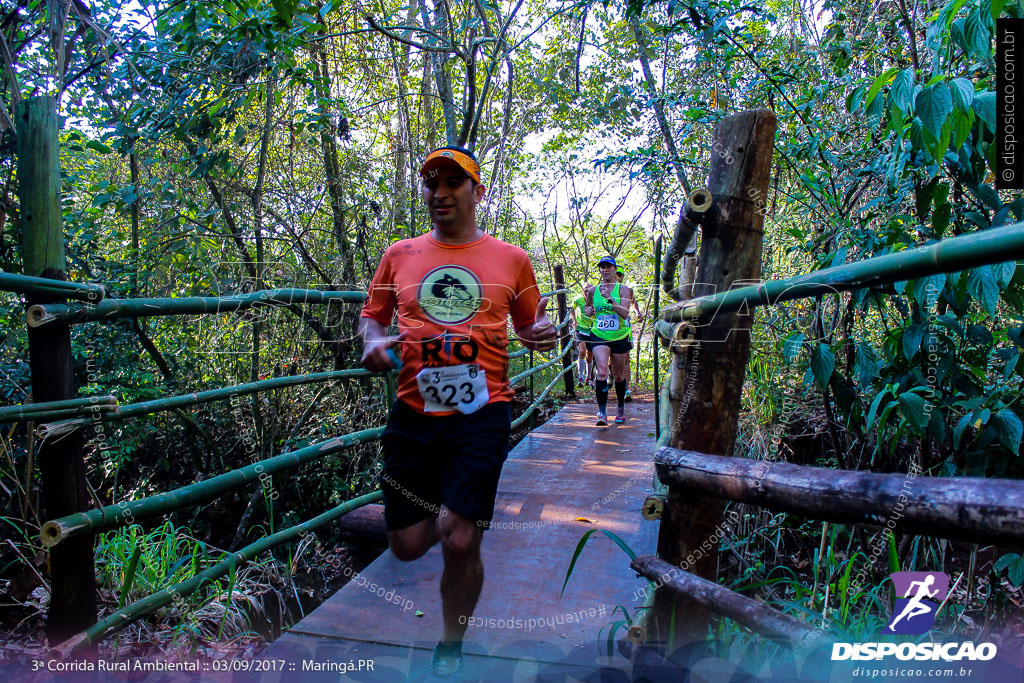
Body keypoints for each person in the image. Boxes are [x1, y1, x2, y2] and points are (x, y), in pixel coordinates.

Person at [359, 146, 557, 681]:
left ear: (477, 190)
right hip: (413, 413)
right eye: (431, 183)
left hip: (482, 410)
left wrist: (540, 336)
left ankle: (451, 646)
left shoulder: (511, 259)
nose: (439, 193)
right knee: (407, 545)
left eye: (453, 182)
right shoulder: (400, 254)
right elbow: (372, 318)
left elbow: (529, 326)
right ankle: (434, 521)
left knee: (462, 537)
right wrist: (372, 344)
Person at [585, 256, 633, 425]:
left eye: (608, 267)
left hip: (619, 336)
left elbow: (625, 314)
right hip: (599, 335)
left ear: (614, 269)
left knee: (618, 375)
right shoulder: (593, 291)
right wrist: (589, 310)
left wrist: (610, 299)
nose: (604, 270)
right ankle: (602, 413)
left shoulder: (623, 289)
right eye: (602, 267)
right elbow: (587, 307)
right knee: (602, 371)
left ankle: (620, 408)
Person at [616, 265, 643, 402]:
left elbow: (633, 301)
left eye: (620, 275)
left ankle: (626, 389)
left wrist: (638, 312)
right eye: (616, 274)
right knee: (611, 361)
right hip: (607, 331)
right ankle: (611, 378)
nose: (618, 277)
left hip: (624, 328)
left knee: (626, 358)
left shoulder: (627, 290)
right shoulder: (602, 290)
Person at [571, 289, 596, 387]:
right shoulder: (578, 300)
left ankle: (588, 377)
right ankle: (580, 378)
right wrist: (574, 320)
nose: (587, 292)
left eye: (589, 290)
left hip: (592, 330)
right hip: (581, 329)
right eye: (585, 290)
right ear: (582, 292)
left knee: (590, 354)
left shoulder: (596, 300)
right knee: (582, 351)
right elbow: (571, 308)